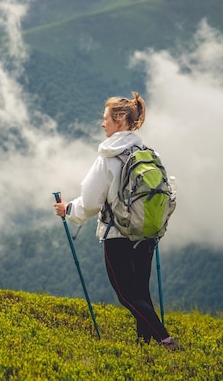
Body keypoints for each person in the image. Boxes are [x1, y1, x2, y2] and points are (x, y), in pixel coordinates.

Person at [53, 92, 180, 350]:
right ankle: (144, 345)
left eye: (105, 118)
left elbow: (90, 202)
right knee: (141, 293)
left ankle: (165, 340)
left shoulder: (109, 158)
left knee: (126, 295)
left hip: (117, 236)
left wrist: (68, 210)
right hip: (146, 233)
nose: (102, 124)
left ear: (119, 119)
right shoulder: (148, 152)